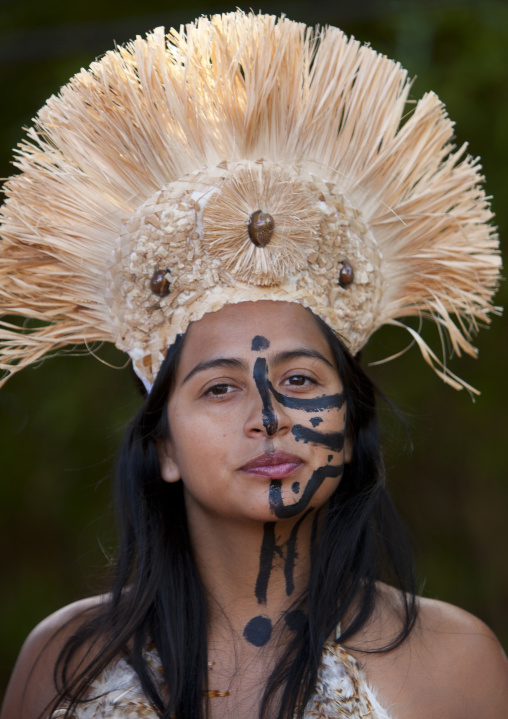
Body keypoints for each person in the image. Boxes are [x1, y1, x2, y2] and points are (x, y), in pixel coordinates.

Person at [0, 11, 507, 719]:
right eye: (218, 387)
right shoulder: (65, 664)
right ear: (164, 444)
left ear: (350, 420)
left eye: (301, 380)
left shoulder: (455, 666)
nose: (268, 416)